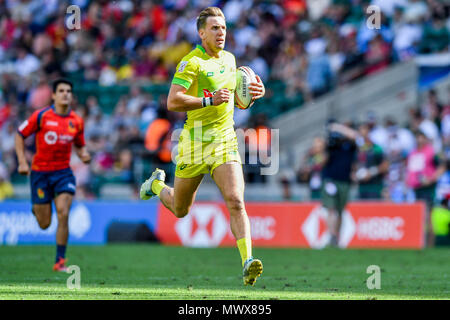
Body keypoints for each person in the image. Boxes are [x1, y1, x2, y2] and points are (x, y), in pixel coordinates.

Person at [139, 7, 266, 286]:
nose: (221, 33)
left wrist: (253, 95)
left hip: (224, 140)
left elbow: (236, 99)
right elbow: (173, 101)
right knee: (181, 210)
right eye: (215, 28)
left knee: (236, 200)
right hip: (194, 143)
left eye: (223, 28)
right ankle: (156, 186)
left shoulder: (231, 60)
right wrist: (208, 100)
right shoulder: (190, 62)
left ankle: (247, 262)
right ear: (201, 33)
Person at [15, 79, 91, 271]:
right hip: (40, 173)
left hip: (64, 173)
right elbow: (19, 134)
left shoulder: (77, 121)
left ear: (71, 96)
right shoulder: (41, 116)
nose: (65, 94)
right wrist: (23, 162)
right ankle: (37, 208)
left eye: (68, 91)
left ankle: (60, 261)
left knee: (63, 213)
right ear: (54, 95)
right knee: (44, 223)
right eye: (61, 90)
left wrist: (83, 154)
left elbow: (80, 145)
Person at [321, 120, 358, 247]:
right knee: (331, 209)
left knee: (340, 210)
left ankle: (336, 236)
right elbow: (323, 159)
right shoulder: (330, 146)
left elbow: (355, 136)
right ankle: (331, 235)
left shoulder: (350, 145)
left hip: (344, 181)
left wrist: (337, 127)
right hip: (330, 180)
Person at [406, 130, 445, 247]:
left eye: (422, 137)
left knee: (428, 215)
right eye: (418, 137)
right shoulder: (413, 153)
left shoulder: (431, 152)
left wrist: (431, 178)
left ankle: (430, 244)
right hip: (416, 188)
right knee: (419, 217)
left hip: (428, 188)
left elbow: (442, 166)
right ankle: (420, 242)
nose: (419, 140)